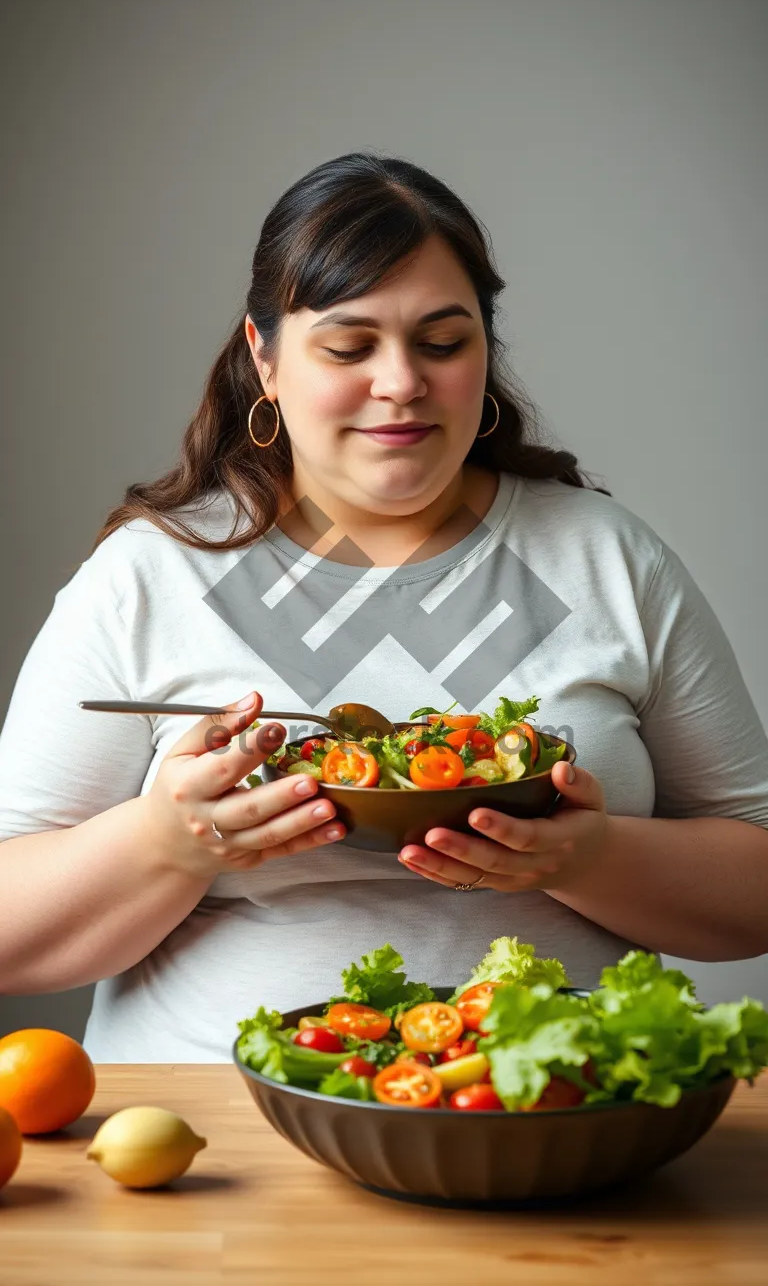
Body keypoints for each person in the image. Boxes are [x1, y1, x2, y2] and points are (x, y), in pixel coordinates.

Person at [1, 152, 767, 1063]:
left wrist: (587, 857)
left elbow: (754, 879)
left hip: (553, 1126)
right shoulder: (148, 576)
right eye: (349, 345)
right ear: (266, 358)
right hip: (218, 1150)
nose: (401, 382)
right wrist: (169, 843)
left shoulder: (608, 556)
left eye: (443, 343)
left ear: (486, 350)